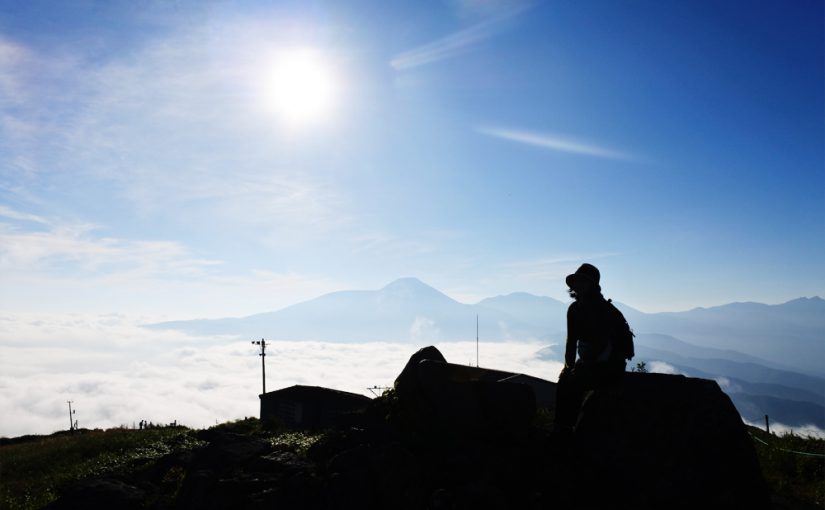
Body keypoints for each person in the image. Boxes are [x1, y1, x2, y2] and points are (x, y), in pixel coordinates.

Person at [554, 263, 634, 430]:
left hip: (611, 365)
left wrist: (576, 371)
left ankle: (566, 430)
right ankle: (563, 429)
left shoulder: (603, 310)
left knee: (572, 385)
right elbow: (571, 341)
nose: (579, 285)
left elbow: (602, 343)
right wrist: (568, 368)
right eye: (577, 281)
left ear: (593, 286)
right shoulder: (575, 309)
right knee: (565, 382)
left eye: (584, 281)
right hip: (592, 362)